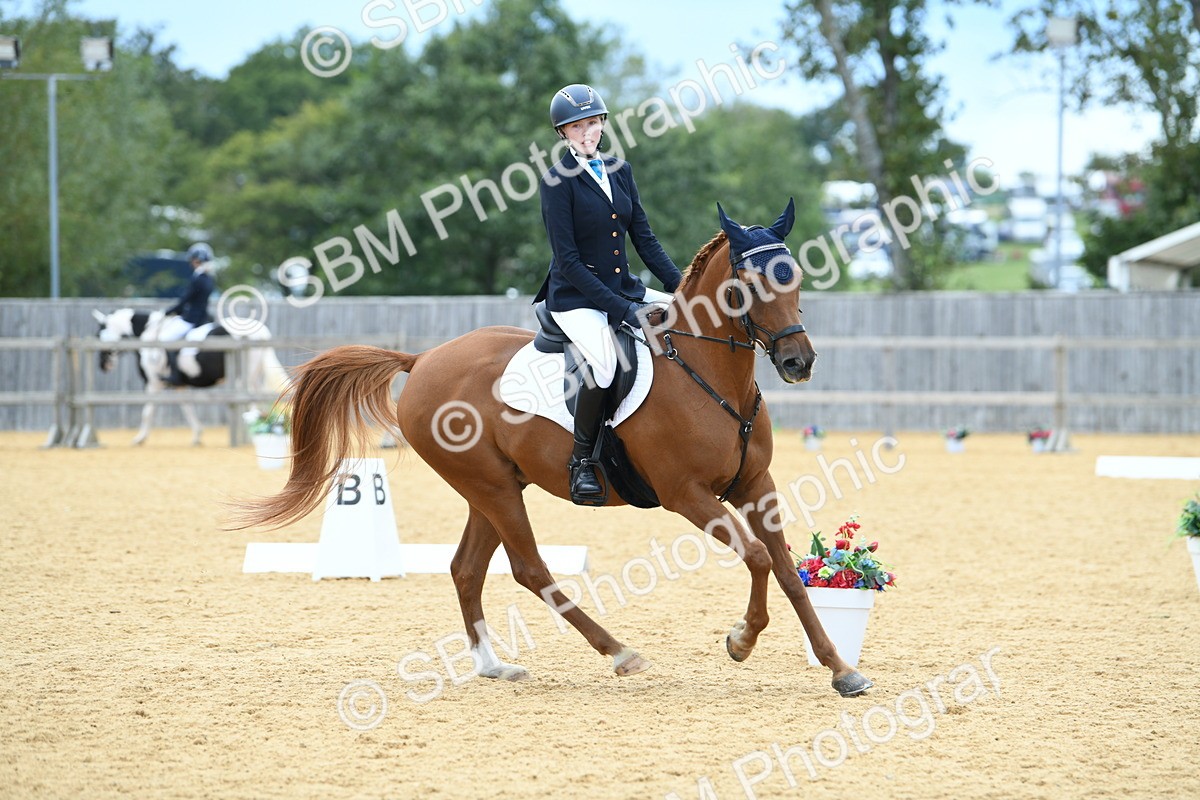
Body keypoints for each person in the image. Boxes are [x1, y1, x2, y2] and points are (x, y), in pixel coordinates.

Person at [534, 83, 682, 504]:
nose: (587, 132)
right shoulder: (556, 181)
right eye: (576, 126)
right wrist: (620, 309)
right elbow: (568, 261)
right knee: (603, 365)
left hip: (625, 288)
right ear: (563, 133)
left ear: (602, 123)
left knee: (693, 319)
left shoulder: (620, 169)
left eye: (593, 123)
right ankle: (583, 460)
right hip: (575, 298)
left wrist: (682, 288)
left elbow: (645, 239)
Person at [160, 242, 216, 384]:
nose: (191, 263)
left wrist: (170, 311)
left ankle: (175, 375)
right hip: (203, 317)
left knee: (165, 338)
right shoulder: (209, 278)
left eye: (192, 260)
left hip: (191, 319)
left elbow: (186, 299)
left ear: (197, 260)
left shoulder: (198, 278)